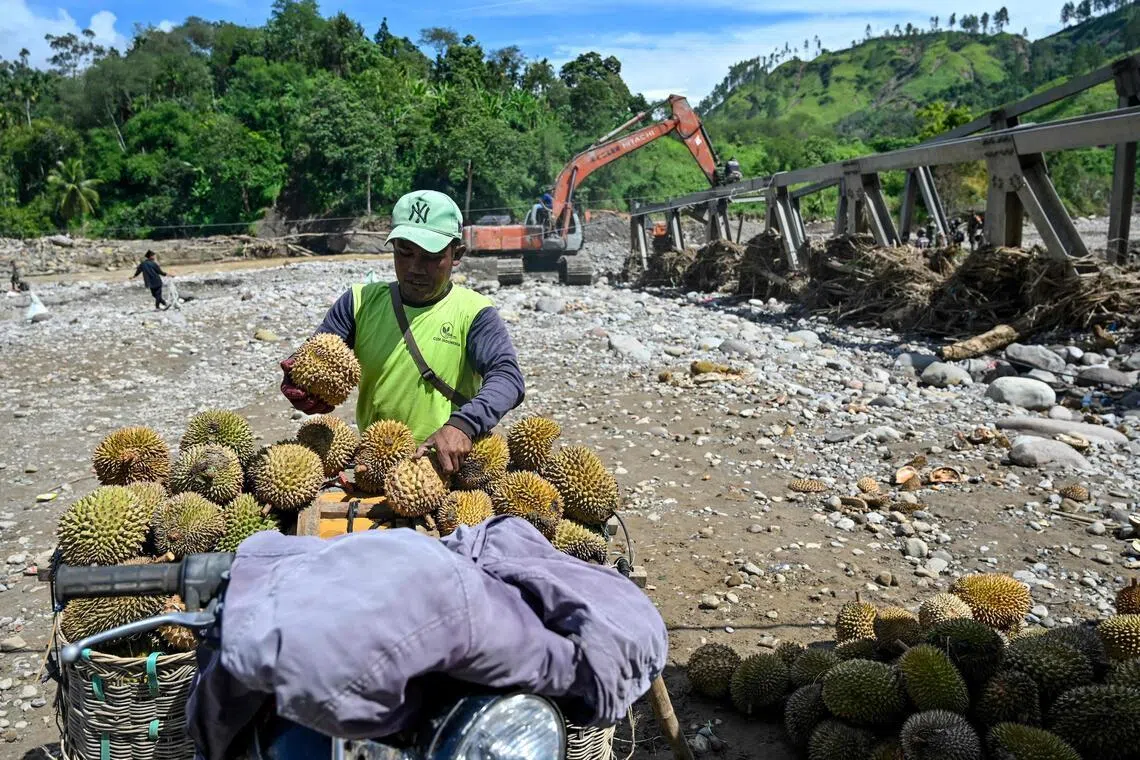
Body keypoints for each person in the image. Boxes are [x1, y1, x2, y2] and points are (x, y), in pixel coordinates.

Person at [281, 190, 525, 475]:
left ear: (457, 254)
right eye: (404, 252)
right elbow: (317, 355)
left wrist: (463, 425)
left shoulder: (474, 313)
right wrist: (299, 380)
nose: (414, 268)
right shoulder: (358, 303)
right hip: (374, 461)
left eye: (431, 257)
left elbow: (508, 378)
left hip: (441, 468)